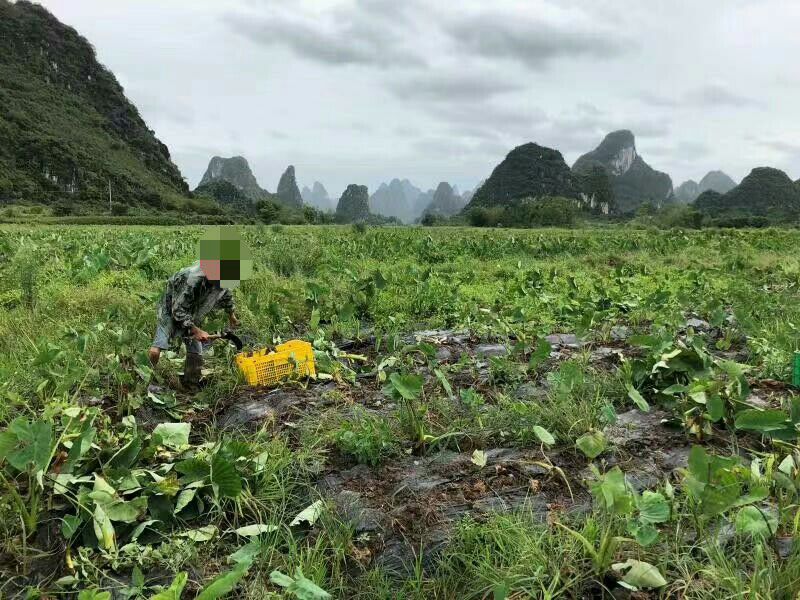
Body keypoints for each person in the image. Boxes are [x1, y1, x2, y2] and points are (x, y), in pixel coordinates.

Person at [149, 227, 251, 389]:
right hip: (171, 306)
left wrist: (231, 314)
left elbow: (226, 294)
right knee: (157, 348)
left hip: (193, 308)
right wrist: (196, 330)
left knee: (196, 350)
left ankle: (191, 384)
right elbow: (178, 310)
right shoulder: (192, 279)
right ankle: (148, 381)